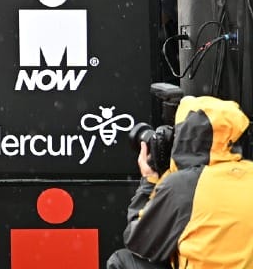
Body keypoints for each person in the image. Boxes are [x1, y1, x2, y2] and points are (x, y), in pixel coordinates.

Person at [107, 95, 253, 269]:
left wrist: (150, 181)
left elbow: (139, 241)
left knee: (123, 259)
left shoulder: (183, 185)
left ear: (187, 135)